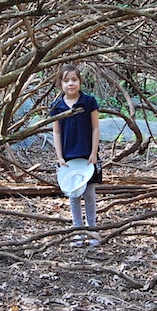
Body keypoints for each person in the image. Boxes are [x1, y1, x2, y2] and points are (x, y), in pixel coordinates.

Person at [50, 64, 101, 247]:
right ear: (60, 84)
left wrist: (94, 152)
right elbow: (56, 132)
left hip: (87, 155)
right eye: (66, 80)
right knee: (73, 194)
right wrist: (60, 156)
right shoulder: (57, 106)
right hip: (68, 156)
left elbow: (95, 127)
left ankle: (92, 230)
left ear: (80, 81)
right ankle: (77, 230)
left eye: (74, 79)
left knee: (89, 193)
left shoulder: (88, 102)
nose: (70, 84)